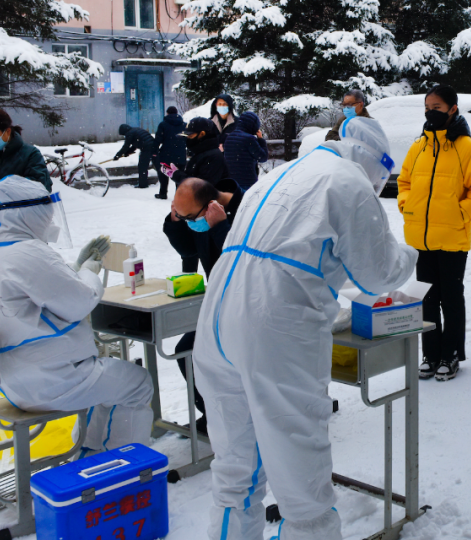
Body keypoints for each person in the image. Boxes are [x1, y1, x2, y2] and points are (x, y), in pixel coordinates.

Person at [193, 117, 416, 540]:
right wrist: (409, 255)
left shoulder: (276, 176)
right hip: (274, 328)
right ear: (373, 163)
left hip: (219, 318)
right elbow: (376, 274)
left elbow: (303, 253)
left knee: (235, 473)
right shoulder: (346, 182)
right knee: (303, 487)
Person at [0, 176, 153, 454]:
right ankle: (124, 466)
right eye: (45, 215)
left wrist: (75, 267)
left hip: (12, 381)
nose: (48, 221)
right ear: (30, 214)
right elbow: (79, 302)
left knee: (111, 381)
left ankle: (92, 451)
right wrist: (88, 271)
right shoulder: (29, 253)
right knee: (137, 383)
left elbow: (38, 296)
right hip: (49, 382)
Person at [397, 85, 471, 381]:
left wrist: (458, 214)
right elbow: (404, 182)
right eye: (427, 107)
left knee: (450, 298)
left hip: (452, 239)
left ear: (453, 109)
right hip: (421, 239)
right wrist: (407, 206)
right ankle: (430, 353)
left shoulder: (468, 149)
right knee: (426, 298)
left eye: (436, 107)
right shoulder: (418, 147)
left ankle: (451, 354)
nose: (430, 112)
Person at [168, 176, 244, 436]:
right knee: (187, 351)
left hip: (250, 305)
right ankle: (212, 414)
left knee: (201, 352)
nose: (190, 223)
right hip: (221, 304)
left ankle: (237, 418)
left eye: (190, 217)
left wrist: (221, 228)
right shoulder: (202, 217)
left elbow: (244, 263)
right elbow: (188, 250)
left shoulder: (248, 210)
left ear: (210, 205)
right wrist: (176, 222)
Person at [161, 117, 231, 274]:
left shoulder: (213, 156)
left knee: (215, 270)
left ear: (202, 134)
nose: (187, 140)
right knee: (193, 256)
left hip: (209, 219)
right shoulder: (199, 155)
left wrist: (177, 175)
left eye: (190, 136)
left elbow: (201, 188)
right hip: (196, 217)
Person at [223, 111, 269, 189]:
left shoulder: (229, 137)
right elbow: (263, 157)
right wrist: (261, 139)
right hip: (247, 181)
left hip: (231, 181)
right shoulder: (249, 139)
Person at [153, 106, 187, 200]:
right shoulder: (184, 125)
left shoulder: (163, 125)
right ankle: (179, 195)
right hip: (180, 154)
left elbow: (158, 139)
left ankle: (163, 193)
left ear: (167, 113)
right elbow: (188, 139)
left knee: (164, 174)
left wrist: (154, 150)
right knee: (179, 175)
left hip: (166, 154)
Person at [114, 123, 156, 189]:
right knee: (153, 163)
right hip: (153, 145)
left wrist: (117, 155)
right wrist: (127, 153)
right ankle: (160, 180)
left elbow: (125, 146)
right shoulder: (135, 130)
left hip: (146, 147)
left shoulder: (129, 133)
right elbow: (135, 145)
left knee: (142, 166)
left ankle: (143, 184)